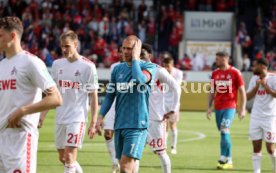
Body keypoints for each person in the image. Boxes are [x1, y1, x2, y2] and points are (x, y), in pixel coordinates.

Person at [0, 16, 62, 173]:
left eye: (0, 35)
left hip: (20, 138)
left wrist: (22, 111)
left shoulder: (31, 62)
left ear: (13, 36)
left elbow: (55, 98)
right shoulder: (1, 65)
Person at [39, 30, 99, 173]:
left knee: (70, 156)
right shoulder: (57, 64)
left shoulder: (88, 66)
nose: (64, 49)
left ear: (75, 44)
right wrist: (42, 115)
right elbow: (51, 93)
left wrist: (93, 122)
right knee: (63, 157)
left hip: (77, 117)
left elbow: (94, 96)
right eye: (62, 46)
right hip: (61, 116)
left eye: (67, 46)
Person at [96, 35, 156, 173]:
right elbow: (110, 95)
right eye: (124, 48)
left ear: (137, 50)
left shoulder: (149, 67)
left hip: (137, 125)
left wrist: (135, 58)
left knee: (125, 167)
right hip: (120, 125)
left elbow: (140, 79)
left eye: (130, 49)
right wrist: (100, 117)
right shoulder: (118, 69)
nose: (126, 51)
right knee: (129, 167)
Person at [137, 43, 181, 173]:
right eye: (138, 54)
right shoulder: (132, 69)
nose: (139, 57)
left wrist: (173, 107)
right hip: (137, 119)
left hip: (155, 118)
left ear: (149, 55)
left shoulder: (158, 70)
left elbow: (176, 87)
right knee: (134, 153)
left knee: (160, 152)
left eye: (142, 54)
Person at [206, 51, 246, 169]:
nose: (216, 61)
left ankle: (228, 160)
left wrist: (242, 108)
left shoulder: (235, 72)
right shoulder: (215, 73)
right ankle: (224, 158)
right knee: (223, 132)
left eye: (218, 59)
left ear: (225, 59)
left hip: (230, 106)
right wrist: (209, 107)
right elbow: (212, 90)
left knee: (224, 129)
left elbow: (242, 91)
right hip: (218, 107)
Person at [246, 58, 276, 173]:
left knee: (270, 149)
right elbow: (248, 97)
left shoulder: (273, 79)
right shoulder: (254, 79)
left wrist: (266, 86)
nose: (253, 68)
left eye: (255, 66)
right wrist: (256, 87)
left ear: (262, 67)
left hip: (270, 118)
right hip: (256, 117)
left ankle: (274, 166)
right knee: (256, 147)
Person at [103, 45, 123, 173]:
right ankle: (115, 162)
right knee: (107, 133)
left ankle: (124, 162)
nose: (122, 54)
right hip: (113, 102)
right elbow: (112, 87)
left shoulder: (134, 66)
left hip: (125, 104)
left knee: (123, 136)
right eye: (120, 51)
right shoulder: (114, 67)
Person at [161, 52, 183, 155]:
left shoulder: (179, 73)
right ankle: (163, 146)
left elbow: (175, 86)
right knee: (163, 125)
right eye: (164, 66)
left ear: (172, 64)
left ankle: (174, 146)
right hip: (163, 102)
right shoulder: (161, 72)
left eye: (168, 66)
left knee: (172, 125)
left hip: (174, 103)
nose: (166, 68)